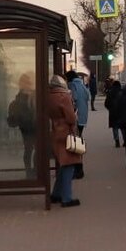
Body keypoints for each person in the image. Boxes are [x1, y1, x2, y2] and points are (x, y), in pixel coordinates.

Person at [47, 74, 82, 207]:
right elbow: (71, 118)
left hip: (55, 131)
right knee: (69, 164)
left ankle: (56, 194)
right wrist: (74, 113)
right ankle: (66, 198)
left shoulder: (49, 96)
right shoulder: (64, 96)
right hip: (66, 132)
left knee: (63, 164)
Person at [6, 73, 37, 172]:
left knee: (29, 150)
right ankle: (33, 171)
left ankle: (30, 171)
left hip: (25, 126)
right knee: (32, 150)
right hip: (31, 125)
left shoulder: (20, 96)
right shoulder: (29, 95)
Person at [65, 70, 90, 137]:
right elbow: (88, 96)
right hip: (84, 111)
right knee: (79, 132)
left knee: (74, 134)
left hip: (76, 111)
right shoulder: (82, 85)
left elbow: (74, 97)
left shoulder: (71, 85)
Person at [104, 78, 123, 148]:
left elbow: (106, 103)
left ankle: (117, 141)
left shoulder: (110, 92)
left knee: (115, 127)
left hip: (113, 112)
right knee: (123, 127)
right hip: (121, 112)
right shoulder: (122, 92)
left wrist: (110, 109)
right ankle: (125, 141)